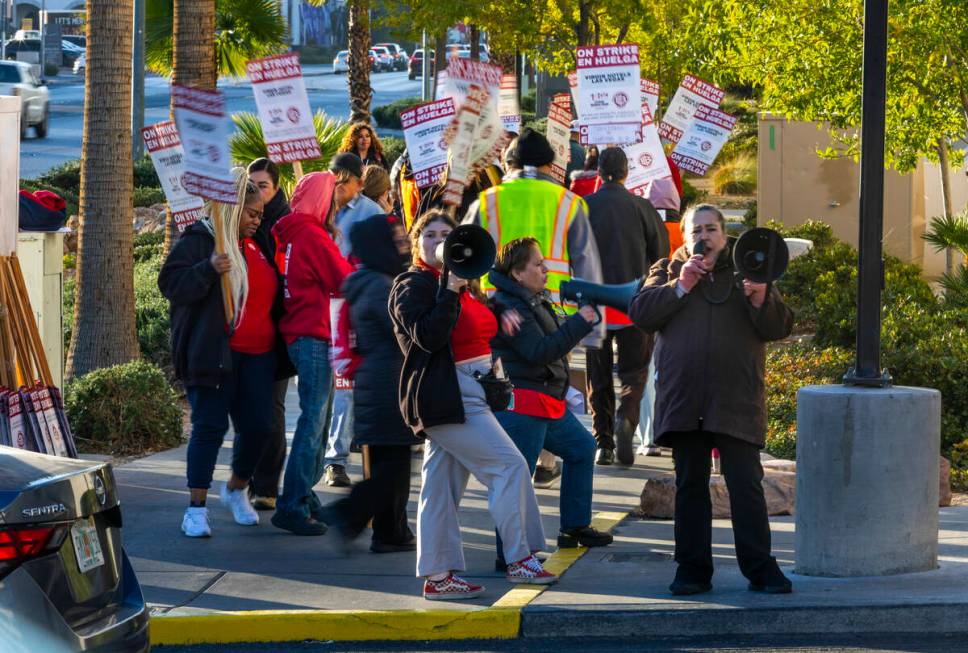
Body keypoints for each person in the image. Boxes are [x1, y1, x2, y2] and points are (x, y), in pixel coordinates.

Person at [389, 210, 557, 600]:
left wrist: (494, 308)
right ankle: (520, 559)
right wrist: (449, 289)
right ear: (417, 244)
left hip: (469, 392)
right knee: (510, 465)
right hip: (447, 395)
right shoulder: (412, 284)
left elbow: (474, 329)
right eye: (430, 235)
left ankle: (439, 575)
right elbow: (428, 337)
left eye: (447, 234)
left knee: (441, 487)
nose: (439, 241)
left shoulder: (461, 285)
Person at [628, 203, 794, 596]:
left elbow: (779, 326)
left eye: (710, 229)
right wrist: (680, 286)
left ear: (723, 234)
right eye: (695, 231)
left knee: (746, 485)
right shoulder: (667, 270)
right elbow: (640, 314)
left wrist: (761, 299)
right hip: (686, 397)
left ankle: (761, 568)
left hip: (734, 397)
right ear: (685, 238)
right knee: (690, 486)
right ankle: (692, 570)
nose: (703, 237)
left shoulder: (749, 267)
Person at [159, 169, 277, 537]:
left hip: (259, 355)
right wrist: (208, 269)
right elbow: (171, 284)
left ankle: (236, 489)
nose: (258, 221)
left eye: (260, 215)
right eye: (252, 213)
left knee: (259, 427)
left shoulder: (257, 245)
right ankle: (195, 508)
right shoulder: (201, 240)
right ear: (233, 207)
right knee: (209, 428)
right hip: (215, 354)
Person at [489, 237, 613, 569]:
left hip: (545, 401)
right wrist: (580, 321)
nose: (546, 269)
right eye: (538, 264)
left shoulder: (530, 300)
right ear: (517, 273)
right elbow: (539, 351)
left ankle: (574, 526)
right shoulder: (511, 307)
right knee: (517, 477)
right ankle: (511, 555)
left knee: (582, 448)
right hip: (524, 405)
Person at [320, 214, 416, 553]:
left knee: (393, 462)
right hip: (387, 384)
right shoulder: (380, 286)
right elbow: (403, 332)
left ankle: (390, 533)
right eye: (395, 238)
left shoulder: (369, 281)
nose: (402, 243)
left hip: (378, 382)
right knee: (394, 467)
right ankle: (349, 513)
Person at [269, 165, 356, 535]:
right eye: (332, 197)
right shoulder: (312, 235)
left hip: (297, 333)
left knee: (314, 423)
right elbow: (343, 279)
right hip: (314, 335)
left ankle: (305, 499)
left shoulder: (289, 234)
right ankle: (292, 504)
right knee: (313, 424)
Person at [464, 128, 604, 348]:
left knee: (501, 377)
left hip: (496, 312)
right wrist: (593, 329)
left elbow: (461, 259)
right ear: (549, 164)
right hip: (554, 314)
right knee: (550, 377)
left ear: (510, 163)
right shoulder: (569, 202)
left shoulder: (485, 202)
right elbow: (588, 267)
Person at [583, 147, 668, 466]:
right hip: (635, 304)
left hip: (593, 305)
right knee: (634, 373)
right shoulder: (642, 207)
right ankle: (627, 419)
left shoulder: (584, 207)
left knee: (598, 374)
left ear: (598, 172)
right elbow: (662, 255)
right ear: (625, 172)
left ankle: (603, 442)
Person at [321, 153, 379, 488]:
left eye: (345, 180)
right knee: (318, 393)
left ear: (359, 181)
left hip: (350, 312)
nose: (338, 186)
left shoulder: (371, 214)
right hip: (317, 309)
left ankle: (335, 460)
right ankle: (320, 457)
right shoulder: (317, 206)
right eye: (334, 179)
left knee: (345, 389)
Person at [245, 157, 295, 510]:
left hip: (276, 329)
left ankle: (266, 486)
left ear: (276, 187)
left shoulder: (284, 224)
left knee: (271, 408)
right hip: (247, 329)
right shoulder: (243, 220)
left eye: (263, 186)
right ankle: (251, 477)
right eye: (252, 185)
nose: (257, 192)